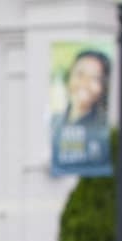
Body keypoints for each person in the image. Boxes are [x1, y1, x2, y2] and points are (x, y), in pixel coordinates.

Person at [49, 48, 112, 176]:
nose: (84, 83)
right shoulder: (54, 121)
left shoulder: (103, 126)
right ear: (69, 77)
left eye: (95, 78)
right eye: (79, 74)